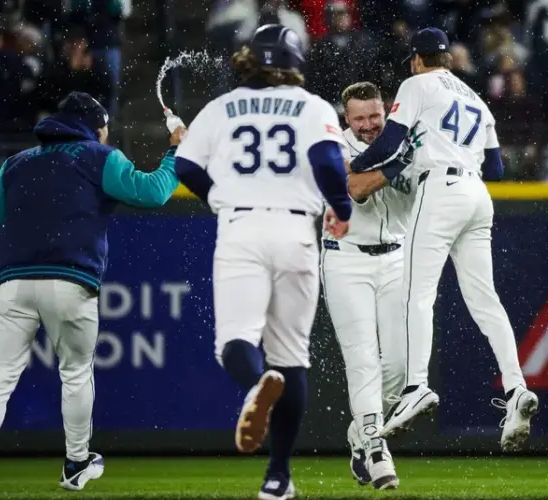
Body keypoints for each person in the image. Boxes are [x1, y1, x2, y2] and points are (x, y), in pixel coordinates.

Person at [173, 24, 351, 500]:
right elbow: (331, 166)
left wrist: (219, 196)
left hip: (241, 229)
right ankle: (277, 477)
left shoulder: (220, 107)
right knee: (292, 358)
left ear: (249, 58)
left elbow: (185, 167)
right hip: (297, 232)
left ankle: (256, 385)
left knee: (235, 342)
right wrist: (344, 208)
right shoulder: (312, 106)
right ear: (295, 61)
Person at [349, 27, 539, 451]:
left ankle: (416, 385)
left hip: (441, 190)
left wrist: (356, 166)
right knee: (486, 300)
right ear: (448, 58)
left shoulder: (416, 83)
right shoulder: (475, 98)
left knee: (417, 293)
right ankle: (516, 388)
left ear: (417, 59)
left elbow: (391, 141)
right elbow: (497, 169)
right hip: (478, 195)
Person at [0, 91, 184, 490]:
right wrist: (175, 156)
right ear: (96, 128)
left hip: (11, 285)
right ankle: (77, 463)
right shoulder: (99, 156)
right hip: (70, 282)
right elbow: (152, 193)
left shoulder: (15, 163)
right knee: (76, 374)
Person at [320, 81, 416, 490]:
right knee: (362, 360)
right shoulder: (331, 143)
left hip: (396, 257)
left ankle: (362, 433)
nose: (368, 124)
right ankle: (377, 449)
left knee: (398, 365)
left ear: (386, 111)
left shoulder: (406, 137)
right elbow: (356, 188)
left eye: (374, 115)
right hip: (346, 259)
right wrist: (400, 162)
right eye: (359, 117)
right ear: (347, 119)